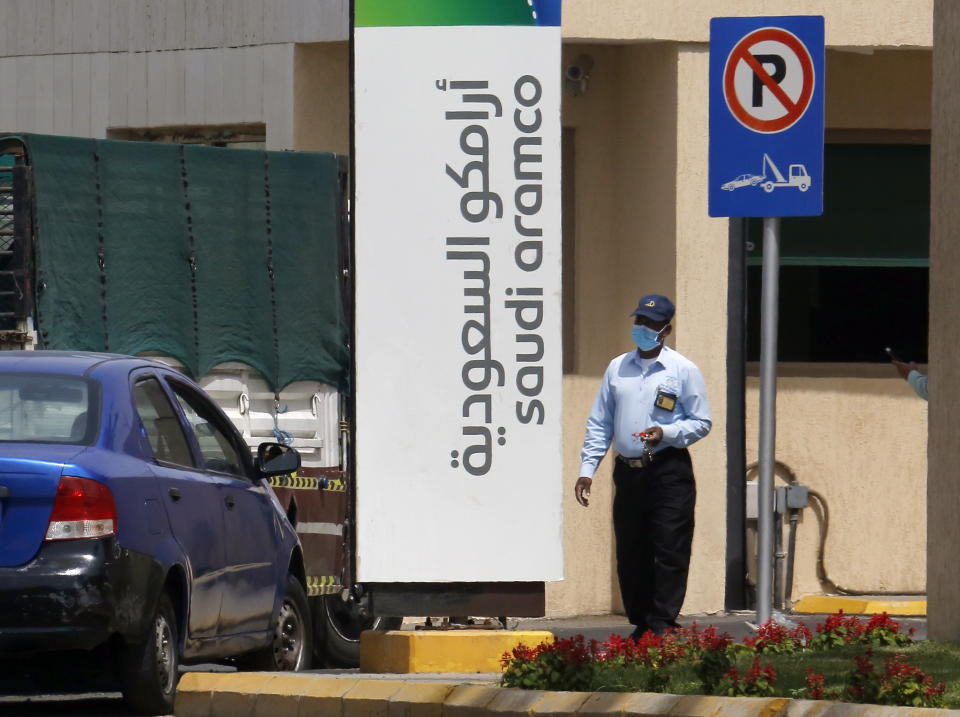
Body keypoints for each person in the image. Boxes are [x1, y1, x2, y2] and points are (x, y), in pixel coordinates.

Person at [574, 294, 712, 639]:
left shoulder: (683, 370)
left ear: (666, 329)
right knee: (631, 549)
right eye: (639, 322)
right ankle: (641, 623)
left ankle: (663, 622)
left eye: (650, 324)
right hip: (629, 471)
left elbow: (702, 422)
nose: (642, 329)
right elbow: (600, 422)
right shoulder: (617, 367)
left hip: (668, 469)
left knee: (669, 547)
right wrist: (587, 469)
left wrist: (666, 431)